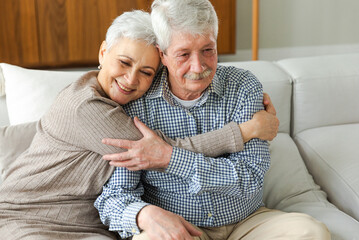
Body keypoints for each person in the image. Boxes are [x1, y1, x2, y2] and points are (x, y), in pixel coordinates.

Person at [0, 10, 277, 240]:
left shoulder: (125, 104)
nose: (131, 79)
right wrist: (244, 131)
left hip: (87, 224)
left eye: (146, 72)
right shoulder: (85, 106)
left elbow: (160, 153)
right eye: (124, 62)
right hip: (30, 216)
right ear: (102, 53)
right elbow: (160, 151)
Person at [96, 1, 331, 239]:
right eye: (184, 54)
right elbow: (115, 197)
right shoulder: (138, 103)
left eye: (208, 50)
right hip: (182, 228)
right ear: (162, 54)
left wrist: (171, 158)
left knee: (311, 232)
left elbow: (249, 178)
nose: (198, 67)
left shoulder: (243, 87)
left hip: (247, 222)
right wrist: (144, 214)